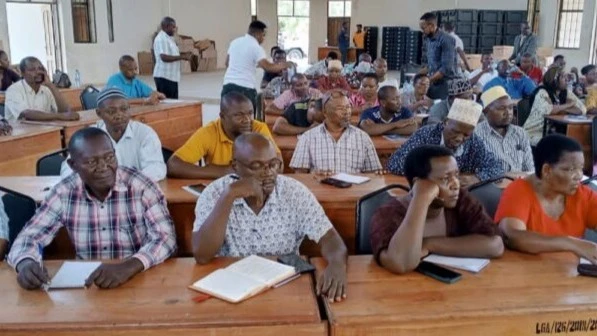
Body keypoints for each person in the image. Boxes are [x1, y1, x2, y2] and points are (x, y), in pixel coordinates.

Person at [7, 127, 176, 290]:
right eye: (91, 162)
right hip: (86, 283)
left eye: (109, 158)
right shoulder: (63, 192)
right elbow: (30, 236)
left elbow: (166, 238)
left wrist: (129, 267)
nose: (103, 167)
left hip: (137, 276)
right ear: (73, 165)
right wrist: (25, 262)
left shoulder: (141, 185)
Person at [192, 133, 347, 301]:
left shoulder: (293, 192)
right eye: (256, 166)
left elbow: (330, 238)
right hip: (231, 286)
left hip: (284, 285)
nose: (269, 173)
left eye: (273, 164)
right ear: (235, 166)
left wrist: (337, 264)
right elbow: (202, 255)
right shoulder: (214, 194)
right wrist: (228, 196)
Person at [371, 145, 504, 274]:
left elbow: (495, 245)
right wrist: (421, 199)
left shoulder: (461, 200)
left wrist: (429, 244)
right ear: (418, 183)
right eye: (445, 179)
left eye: (456, 176)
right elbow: (401, 263)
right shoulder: (388, 213)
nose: (456, 184)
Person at [496, 134, 597, 262]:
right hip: (525, 273)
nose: (579, 176)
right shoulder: (518, 190)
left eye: (581, 168)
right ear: (547, 170)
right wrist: (570, 243)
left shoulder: (582, 194)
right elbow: (512, 236)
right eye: (571, 169)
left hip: (568, 273)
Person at [388, 98, 504, 188]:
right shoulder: (426, 135)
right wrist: (435, 174)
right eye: (455, 131)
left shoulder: (472, 141)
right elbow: (395, 163)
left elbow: (497, 167)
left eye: (465, 135)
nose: (459, 138)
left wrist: (477, 178)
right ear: (445, 122)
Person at [60, 87, 167, 181]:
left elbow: (156, 167)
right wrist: (96, 183)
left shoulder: (144, 133)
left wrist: (123, 182)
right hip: (98, 193)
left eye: (124, 109)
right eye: (111, 111)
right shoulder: (89, 137)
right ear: (99, 113)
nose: (119, 115)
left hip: (134, 193)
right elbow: (68, 170)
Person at [167, 92, 280, 179]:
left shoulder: (258, 128)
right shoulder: (209, 132)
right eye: (238, 115)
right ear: (223, 116)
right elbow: (173, 165)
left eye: (250, 113)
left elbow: (278, 164)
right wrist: (227, 171)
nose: (247, 120)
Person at [290, 90, 383, 174]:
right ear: (325, 112)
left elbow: (373, 173)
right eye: (340, 108)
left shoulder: (363, 137)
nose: (346, 112)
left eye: (348, 107)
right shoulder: (308, 137)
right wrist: (315, 177)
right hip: (320, 191)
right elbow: (300, 175)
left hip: (355, 191)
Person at [222, 21, 292, 111]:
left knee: (228, 116)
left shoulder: (235, 42)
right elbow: (268, 67)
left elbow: (227, 63)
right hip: (244, 88)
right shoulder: (256, 47)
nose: (263, 39)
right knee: (246, 119)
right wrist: (285, 65)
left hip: (227, 86)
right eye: (263, 35)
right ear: (258, 34)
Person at [475, 86, 534, 173]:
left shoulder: (520, 133)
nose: (508, 113)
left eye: (510, 108)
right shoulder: (476, 135)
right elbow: (477, 173)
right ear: (486, 111)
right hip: (491, 185)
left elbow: (529, 169)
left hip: (519, 183)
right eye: (501, 108)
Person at [524, 66, 586, 145]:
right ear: (554, 79)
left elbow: (582, 109)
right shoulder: (542, 92)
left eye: (566, 76)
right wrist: (569, 104)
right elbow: (550, 110)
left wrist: (560, 108)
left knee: (575, 141)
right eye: (563, 77)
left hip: (554, 131)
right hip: (534, 132)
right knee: (559, 145)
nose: (567, 79)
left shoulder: (565, 92)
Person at [5, 57, 78, 122]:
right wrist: (60, 116)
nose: (38, 72)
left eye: (40, 68)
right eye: (32, 69)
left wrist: (50, 85)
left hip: (45, 130)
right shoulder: (13, 90)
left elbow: (64, 111)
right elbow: (27, 114)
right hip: (20, 134)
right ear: (22, 73)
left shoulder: (47, 89)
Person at [420, 12, 456, 100]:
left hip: (445, 85)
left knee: (440, 110)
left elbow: (446, 68)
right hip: (434, 83)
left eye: (423, 28)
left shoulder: (446, 40)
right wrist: (417, 75)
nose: (422, 31)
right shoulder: (429, 40)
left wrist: (428, 80)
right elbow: (431, 64)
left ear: (431, 26)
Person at [153, 17, 191, 99]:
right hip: (164, 77)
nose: (175, 29)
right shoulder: (161, 39)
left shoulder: (169, 38)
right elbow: (164, 57)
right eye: (173, 27)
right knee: (167, 104)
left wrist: (184, 54)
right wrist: (182, 57)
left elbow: (172, 53)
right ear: (166, 26)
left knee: (173, 103)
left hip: (171, 77)